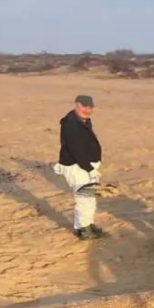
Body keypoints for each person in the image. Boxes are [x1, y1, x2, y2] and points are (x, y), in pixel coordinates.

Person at [55, 94, 103, 240]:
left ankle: (86, 225)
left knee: (89, 198)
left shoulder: (83, 120)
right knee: (84, 199)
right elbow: (76, 150)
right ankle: (83, 229)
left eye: (90, 107)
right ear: (77, 105)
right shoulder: (71, 124)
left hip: (84, 165)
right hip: (77, 166)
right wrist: (90, 169)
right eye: (85, 106)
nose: (88, 110)